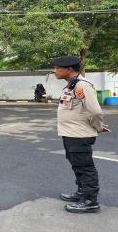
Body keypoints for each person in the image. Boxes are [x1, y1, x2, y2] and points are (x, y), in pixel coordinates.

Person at [53, 56, 110, 213]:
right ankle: (82, 193)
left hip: (79, 135)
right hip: (71, 134)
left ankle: (90, 201)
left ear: (69, 69)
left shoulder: (82, 86)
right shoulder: (72, 84)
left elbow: (95, 111)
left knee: (85, 167)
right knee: (77, 165)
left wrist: (98, 127)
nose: (54, 71)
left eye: (57, 68)